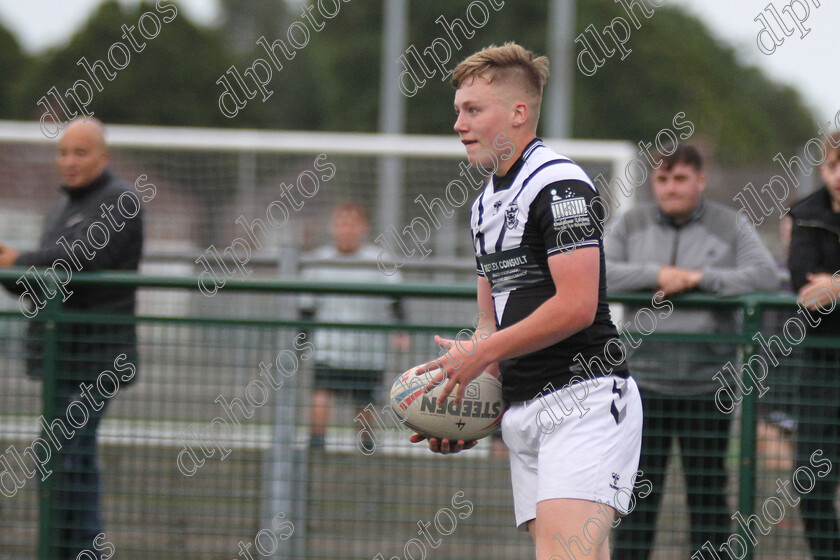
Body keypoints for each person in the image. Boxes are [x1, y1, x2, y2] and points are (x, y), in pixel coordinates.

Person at [409, 43, 643, 560]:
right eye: (458, 112)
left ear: (518, 113)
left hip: (583, 402)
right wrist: (462, 405)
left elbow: (577, 306)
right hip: (524, 410)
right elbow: (489, 326)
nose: (459, 124)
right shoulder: (482, 205)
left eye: (473, 110)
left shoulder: (559, 184)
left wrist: (481, 355)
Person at [604, 144, 779, 557]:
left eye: (680, 178)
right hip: (643, 386)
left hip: (708, 386)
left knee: (707, 496)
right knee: (636, 498)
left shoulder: (731, 225)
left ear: (700, 180)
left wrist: (698, 279)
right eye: (663, 179)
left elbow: (765, 276)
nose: (671, 188)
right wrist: (658, 276)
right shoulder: (630, 223)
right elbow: (599, 273)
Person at [0, 118, 143, 559]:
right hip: (61, 357)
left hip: (95, 361)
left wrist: (20, 258)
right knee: (61, 465)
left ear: (103, 157)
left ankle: (81, 552)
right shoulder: (60, 209)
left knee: (67, 462)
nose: (68, 161)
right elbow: (41, 280)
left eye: (80, 152)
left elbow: (81, 258)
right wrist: (12, 269)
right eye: (62, 152)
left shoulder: (121, 200)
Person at [299, 202, 405, 452]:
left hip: (366, 351)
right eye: (341, 223)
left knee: (365, 403)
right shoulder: (319, 261)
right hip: (329, 347)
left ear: (363, 227)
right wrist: (301, 341)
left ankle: (365, 450)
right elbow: (306, 306)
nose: (346, 229)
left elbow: (397, 298)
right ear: (333, 227)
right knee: (321, 394)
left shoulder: (379, 261)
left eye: (352, 223)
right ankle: (316, 446)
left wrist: (401, 329)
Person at [787, 130, 840, 560]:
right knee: (811, 483)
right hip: (821, 363)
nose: (839, 176)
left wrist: (836, 284)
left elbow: (827, 290)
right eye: (833, 166)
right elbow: (805, 288)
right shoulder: (805, 214)